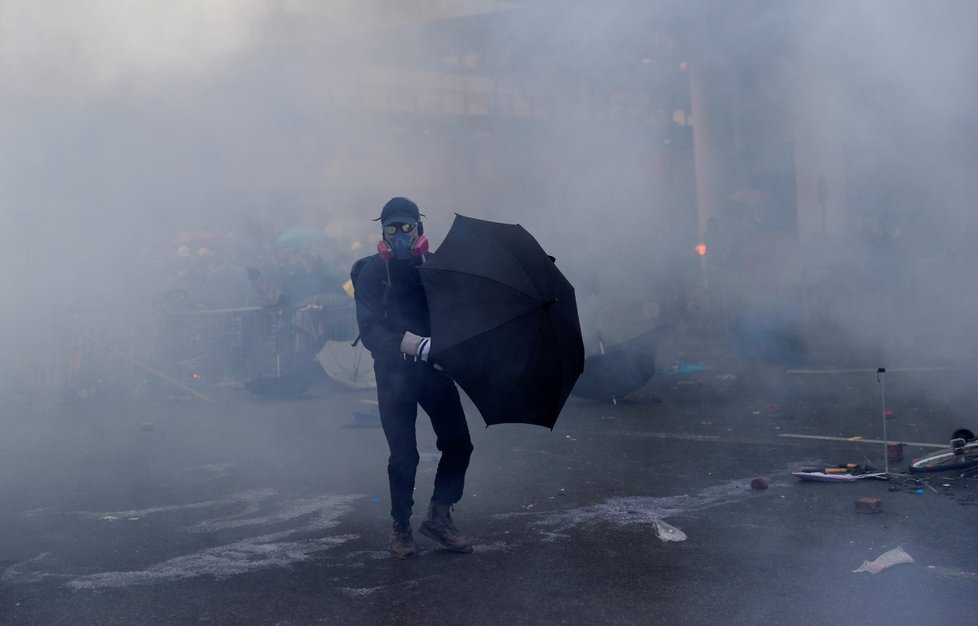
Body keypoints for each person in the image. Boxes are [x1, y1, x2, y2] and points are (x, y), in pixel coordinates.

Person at [350, 197, 474, 559]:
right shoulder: (371, 272)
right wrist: (412, 345)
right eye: (393, 229)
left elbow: (458, 314)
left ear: (420, 230)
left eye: (407, 227)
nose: (401, 235)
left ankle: (439, 515)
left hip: (433, 371)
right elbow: (369, 330)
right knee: (403, 455)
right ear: (382, 233)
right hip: (393, 374)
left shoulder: (436, 267)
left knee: (458, 444)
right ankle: (401, 526)